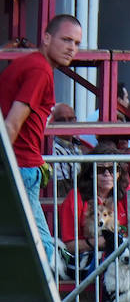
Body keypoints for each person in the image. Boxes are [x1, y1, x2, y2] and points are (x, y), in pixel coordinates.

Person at [1, 14, 82, 263]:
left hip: (19, 165)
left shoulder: (30, 64)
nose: (72, 48)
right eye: (66, 39)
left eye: (77, 43)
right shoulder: (39, 70)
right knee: (43, 254)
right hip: (21, 167)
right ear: (46, 38)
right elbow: (13, 123)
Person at [58, 144, 130, 299]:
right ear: (91, 173)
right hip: (91, 254)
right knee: (108, 261)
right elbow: (70, 245)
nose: (107, 174)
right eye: (101, 170)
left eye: (113, 169)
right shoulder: (76, 197)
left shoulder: (127, 191)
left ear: (118, 173)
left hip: (125, 249)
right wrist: (99, 242)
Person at [49, 103, 84, 194]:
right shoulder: (52, 150)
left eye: (71, 119)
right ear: (53, 122)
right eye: (62, 120)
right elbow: (60, 187)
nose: (67, 124)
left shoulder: (81, 146)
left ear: (75, 120)